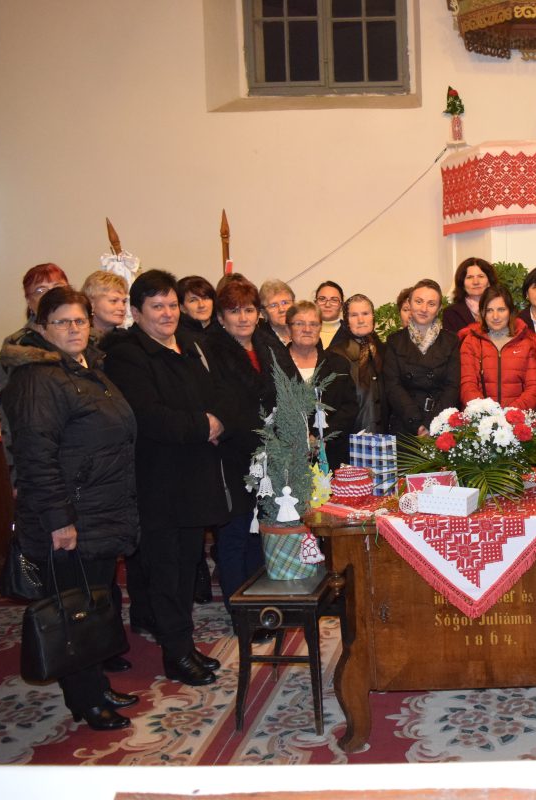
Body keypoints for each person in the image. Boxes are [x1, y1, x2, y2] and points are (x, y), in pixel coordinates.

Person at [0, 286, 141, 731]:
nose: (74, 328)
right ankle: (86, 700)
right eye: (62, 321)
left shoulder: (86, 367)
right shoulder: (37, 379)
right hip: (70, 517)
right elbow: (35, 457)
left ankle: (96, 686)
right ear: (42, 328)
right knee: (72, 609)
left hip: (99, 509)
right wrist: (60, 521)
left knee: (93, 602)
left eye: (80, 320)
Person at [103, 269, 230, 687]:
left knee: (188, 564)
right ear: (136, 312)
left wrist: (216, 420)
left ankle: (185, 644)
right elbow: (147, 415)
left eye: (172, 304)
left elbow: (215, 393)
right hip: (159, 480)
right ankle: (175, 653)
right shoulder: (127, 355)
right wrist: (202, 425)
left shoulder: (188, 344)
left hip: (195, 475)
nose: (168, 313)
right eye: (157, 306)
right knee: (166, 570)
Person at [204, 279, 280, 610]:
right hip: (232, 452)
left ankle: (257, 604)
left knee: (258, 530)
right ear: (221, 317)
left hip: (266, 451)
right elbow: (222, 402)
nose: (243, 317)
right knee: (235, 532)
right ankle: (238, 608)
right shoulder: (212, 350)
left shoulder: (264, 345)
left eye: (249, 310)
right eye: (234, 311)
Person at [0, 263, 70, 480]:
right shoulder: (17, 345)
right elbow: (7, 413)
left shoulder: (90, 337)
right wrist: (16, 474)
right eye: (41, 290)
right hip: (46, 458)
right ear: (29, 301)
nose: (52, 294)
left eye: (58, 286)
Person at [285, 301, 360, 469]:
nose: (307, 329)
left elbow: (349, 407)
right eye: (299, 323)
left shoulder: (338, 364)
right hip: (287, 457)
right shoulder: (275, 364)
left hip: (331, 453)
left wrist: (322, 436)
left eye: (313, 324)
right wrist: (300, 438)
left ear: (320, 328)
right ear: (288, 328)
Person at [383, 279, 460, 436]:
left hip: (441, 423)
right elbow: (393, 385)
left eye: (431, 304)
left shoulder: (451, 341)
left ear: (439, 309)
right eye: (419, 302)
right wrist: (416, 423)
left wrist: (432, 423)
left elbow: (452, 386)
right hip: (405, 422)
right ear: (410, 304)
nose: (424, 309)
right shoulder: (394, 341)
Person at [459, 286, 536, 410]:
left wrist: (512, 413)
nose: (495, 316)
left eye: (501, 309)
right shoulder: (471, 342)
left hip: (518, 417)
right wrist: (486, 413)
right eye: (489, 310)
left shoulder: (525, 342)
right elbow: (467, 385)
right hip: (479, 418)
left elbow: (535, 386)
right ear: (482, 313)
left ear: (510, 311)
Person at [328, 294, 386, 433]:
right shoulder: (335, 354)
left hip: (384, 435)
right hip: (350, 434)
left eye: (365, 313)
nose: (361, 320)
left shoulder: (383, 351)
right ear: (346, 320)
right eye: (354, 315)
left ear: (373, 317)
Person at [442, 257, 499, 335]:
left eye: (481, 276)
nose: (476, 282)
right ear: (462, 283)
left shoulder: (503, 309)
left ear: (489, 281)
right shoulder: (451, 313)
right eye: (469, 277)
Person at [82, 270, 128, 336]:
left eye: (124, 302)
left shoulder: (128, 339)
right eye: (114, 301)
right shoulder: (79, 338)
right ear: (91, 303)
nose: (122, 308)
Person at [259, 279, 295, 347]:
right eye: (273, 305)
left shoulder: (306, 330)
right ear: (264, 313)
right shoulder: (260, 342)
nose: (281, 309)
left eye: (285, 303)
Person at [315, 281, 345, 348]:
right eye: (322, 299)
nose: (327, 305)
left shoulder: (351, 334)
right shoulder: (303, 331)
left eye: (334, 300)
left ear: (341, 306)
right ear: (315, 304)